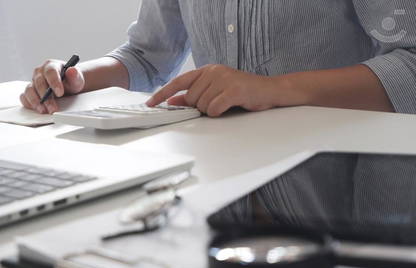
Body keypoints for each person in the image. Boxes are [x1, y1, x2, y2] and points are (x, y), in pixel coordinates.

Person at [21, 0, 416, 118]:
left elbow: (411, 64)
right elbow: (146, 56)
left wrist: (273, 90)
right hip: (217, 184)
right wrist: (77, 78)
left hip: (339, 194)